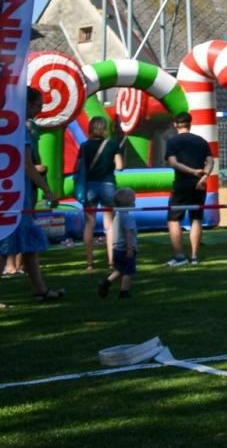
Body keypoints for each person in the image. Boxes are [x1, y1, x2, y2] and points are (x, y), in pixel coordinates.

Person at [1, 90, 65, 302]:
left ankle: (40, 290)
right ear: (27, 103)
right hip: (13, 194)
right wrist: (47, 189)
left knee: (28, 244)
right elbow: (27, 165)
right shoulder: (19, 127)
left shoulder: (13, 124)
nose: (41, 110)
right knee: (4, 246)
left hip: (16, 193)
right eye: (39, 105)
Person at [164, 112, 215, 267]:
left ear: (175, 124)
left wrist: (192, 171)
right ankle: (194, 256)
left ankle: (179, 257)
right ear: (190, 123)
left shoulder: (172, 142)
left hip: (181, 184)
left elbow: (173, 163)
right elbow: (210, 161)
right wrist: (204, 176)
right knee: (196, 218)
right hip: (200, 185)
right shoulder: (201, 141)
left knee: (173, 219)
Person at [76, 116, 124, 270]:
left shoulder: (84, 146)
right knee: (109, 225)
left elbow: (77, 167)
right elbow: (119, 166)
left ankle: (89, 262)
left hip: (89, 186)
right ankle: (111, 261)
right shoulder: (112, 145)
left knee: (89, 224)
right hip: (108, 185)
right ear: (105, 129)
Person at [98, 186, 139, 300]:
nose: (135, 202)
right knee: (128, 271)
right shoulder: (127, 217)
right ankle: (124, 291)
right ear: (129, 203)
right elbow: (127, 233)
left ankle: (106, 282)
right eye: (133, 200)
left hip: (117, 249)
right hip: (125, 248)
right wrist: (130, 248)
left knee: (120, 269)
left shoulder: (117, 215)